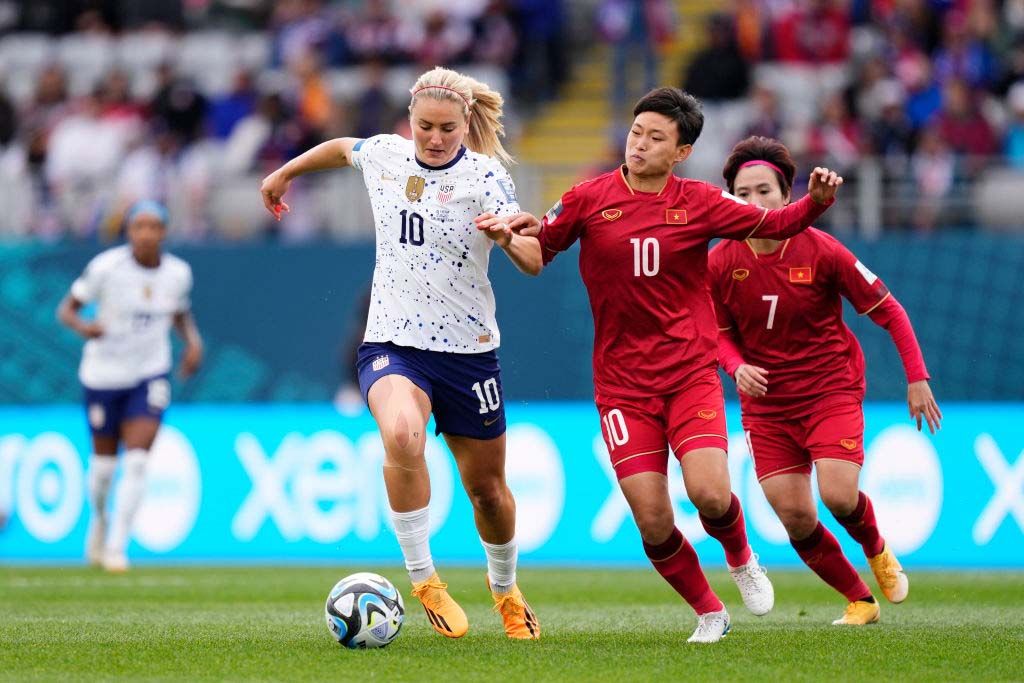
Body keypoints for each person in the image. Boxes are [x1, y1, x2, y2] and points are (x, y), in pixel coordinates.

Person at [477, 87, 843, 643]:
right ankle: (709, 611)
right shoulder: (586, 197)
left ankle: (742, 558)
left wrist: (814, 203)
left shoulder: (699, 201)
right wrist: (507, 239)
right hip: (623, 386)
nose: (639, 144)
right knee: (651, 517)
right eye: (636, 131)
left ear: (681, 152)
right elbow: (536, 257)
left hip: (689, 373)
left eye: (656, 137)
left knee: (710, 495)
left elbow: (774, 225)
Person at [259, 67, 540, 641]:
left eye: (446, 129)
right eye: (425, 127)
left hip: (468, 351)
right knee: (402, 436)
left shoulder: (485, 177)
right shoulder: (387, 155)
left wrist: (509, 238)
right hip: (393, 340)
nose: (434, 138)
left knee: (487, 492)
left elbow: (534, 259)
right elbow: (342, 148)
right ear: (409, 122)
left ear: (466, 125)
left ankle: (506, 589)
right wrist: (284, 174)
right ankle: (424, 579)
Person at [707, 136, 942, 625]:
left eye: (764, 192)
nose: (753, 203)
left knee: (837, 495)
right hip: (767, 406)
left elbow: (891, 312)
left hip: (828, 389)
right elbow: (718, 336)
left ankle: (875, 546)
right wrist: (735, 367)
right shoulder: (720, 261)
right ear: (728, 198)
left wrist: (916, 378)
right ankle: (859, 599)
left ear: (786, 197)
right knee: (794, 515)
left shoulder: (822, 250)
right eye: (742, 193)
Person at [56, 200, 203, 572]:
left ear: (165, 232)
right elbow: (67, 309)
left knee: (137, 461)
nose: (147, 234)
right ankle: (101, 520)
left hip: (149, 374)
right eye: (140, 226)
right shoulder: (106, 268)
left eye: (155, 227)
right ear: (129, 232)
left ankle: (118, 546)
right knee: (104, 470)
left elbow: (179, 313)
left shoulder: (178, 273)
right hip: (103, 375)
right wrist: (84, 327)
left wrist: (193, 342)